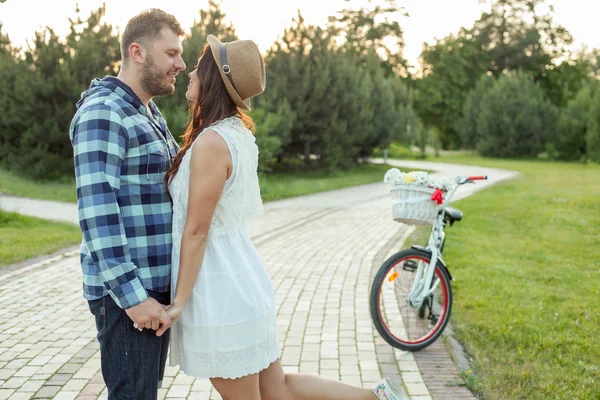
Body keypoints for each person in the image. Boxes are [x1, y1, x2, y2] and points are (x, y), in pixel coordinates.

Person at [163, 34, 408, 400]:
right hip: (241, 283)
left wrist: (178, 303)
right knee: (278, 390)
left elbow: (197, 231)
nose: (191, 71)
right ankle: (378, 398)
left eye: (200, 65)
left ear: (214, 78)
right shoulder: (235, 134)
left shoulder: (214, 142)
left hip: (220, 293)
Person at [69, 9, 186, 400]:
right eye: (171, 54)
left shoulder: (146, 110)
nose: (180, 65)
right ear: (137, 52)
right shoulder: (105, 112)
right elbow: (97, 212)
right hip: (128, 295)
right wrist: (134, 297)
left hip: (151, 287)